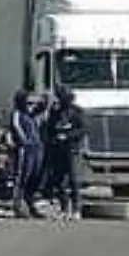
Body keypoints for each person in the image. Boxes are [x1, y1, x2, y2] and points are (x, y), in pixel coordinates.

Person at [42, 85, 86, 217]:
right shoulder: (55, 112)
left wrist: (68, 136)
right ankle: (64, 206)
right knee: (59, 180)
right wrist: (53, 139)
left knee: (73, 179)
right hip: (58, 149)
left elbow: (82, 130)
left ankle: (76, 208)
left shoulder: (77, 111)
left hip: (72, 149)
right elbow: (49, 129)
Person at [9, 89, 46, 218]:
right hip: (25, 149)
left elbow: (42, 108)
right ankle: (17, 205)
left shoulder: (30, 114)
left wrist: (44, 99)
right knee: (22, 176)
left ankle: (31, 203)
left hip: (37, 148)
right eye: (28, 102)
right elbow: (16, 127)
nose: (31, 105)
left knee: (35, 177)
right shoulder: (17, 113)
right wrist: (24, 141)